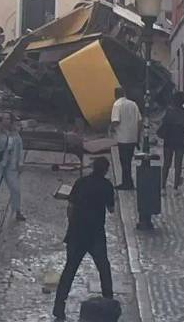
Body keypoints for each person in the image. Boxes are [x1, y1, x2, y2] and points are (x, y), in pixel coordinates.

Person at [53, 157, 116, 320]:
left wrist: (72, 224)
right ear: (106, 170)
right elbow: (111, 209)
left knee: (69, 270)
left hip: (77, 233)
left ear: (93, 167)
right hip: (96, 234)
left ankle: (59, 306)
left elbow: (70, 206)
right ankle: (108, 303)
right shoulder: (107, 186)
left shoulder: (81, 182)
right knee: (104, 269)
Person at [157, 91, 184, 195]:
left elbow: (164, 123)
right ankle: (175, 188)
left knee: (166, 163)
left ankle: (163, 187)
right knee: (178, 164)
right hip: (180, 138)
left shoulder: (169, 112)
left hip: (169, 138)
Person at [110, 87, 141, 190]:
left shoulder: (117, 105)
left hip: (123, 138)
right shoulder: (133, 104)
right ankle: (129, 182)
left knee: (124, 162)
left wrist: (111, 129)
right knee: (128, 161)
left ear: (115, 95)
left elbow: (115, 121)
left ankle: (126, 183)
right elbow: (140, 121)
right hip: (132, 138)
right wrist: (138, 137)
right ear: (124, 93)